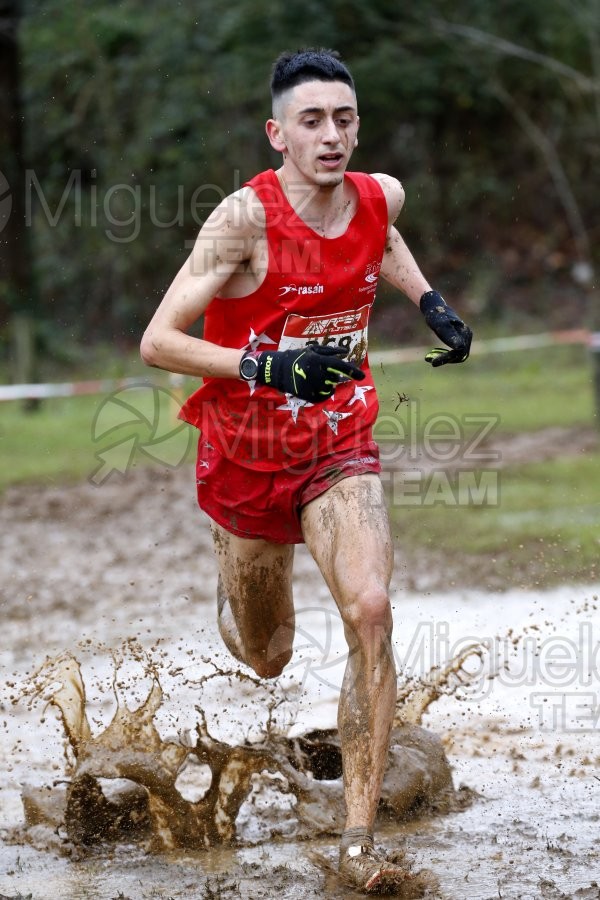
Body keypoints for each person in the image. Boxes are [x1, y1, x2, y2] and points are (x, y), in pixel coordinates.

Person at [141, 48, 472, 894]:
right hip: (247, 460)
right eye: (314, 121)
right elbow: (158, 340)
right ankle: (234, 573)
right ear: (278, 133)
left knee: (370, 608)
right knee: (269, 655)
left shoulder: (378, 193)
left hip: (338, 444)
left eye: (346, 119)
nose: (333, 136)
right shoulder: (241, 221)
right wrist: (267, 367)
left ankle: (358, 840)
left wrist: (429, 302)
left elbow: (383, 238)